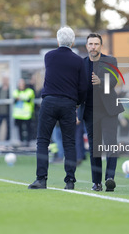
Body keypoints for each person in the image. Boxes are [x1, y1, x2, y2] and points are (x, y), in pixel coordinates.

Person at [28, 26, 88, 190]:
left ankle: (41, 179)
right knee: (69, 142)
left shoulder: (49, 56)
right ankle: (70, 181)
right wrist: (77, 104)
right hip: (68, 104)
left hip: (49, 101)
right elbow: (83, 87)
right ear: (73, 42)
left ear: (57, 40)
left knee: (43, 141)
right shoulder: (78, 60)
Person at [79, 33, 124, 192]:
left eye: (96, 44)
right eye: (90, 44)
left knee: (111, 145)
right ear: (86, 46)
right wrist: (76, 111)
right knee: (94, 148)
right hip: (90, 113)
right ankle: (96, 182)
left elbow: (113, 81)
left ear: (100, 46)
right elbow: (78, 89)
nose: (93, 47)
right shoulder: (81, 64)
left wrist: (100, 82)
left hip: (108, 111)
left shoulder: (110, 61)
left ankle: (109, 178)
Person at [13, 78, 35, 146]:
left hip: (27, 114)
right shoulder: (16, 91)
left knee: (28, 129)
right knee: (20, 129)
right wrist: (22, 98)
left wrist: (20, 98)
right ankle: (21, 141)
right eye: (19, 84)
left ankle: (28, 142)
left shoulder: (29, 91)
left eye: (22, 83)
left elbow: (28, 98)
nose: (21, 85)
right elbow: (15, 97)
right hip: (18, 115)